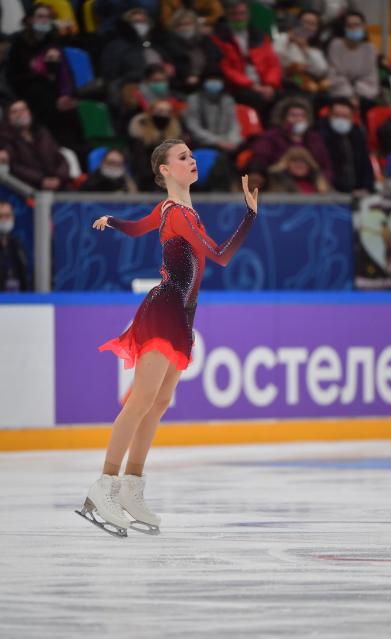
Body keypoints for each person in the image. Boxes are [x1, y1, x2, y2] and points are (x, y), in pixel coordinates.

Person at [75, 139, 258, 537]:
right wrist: (249, 217)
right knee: (142, 399)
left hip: (182, 315)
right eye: (183, 158)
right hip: (165, 309)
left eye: (192, 156)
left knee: (158, 403)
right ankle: (103, 486)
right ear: (163, 170)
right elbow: (222, 256)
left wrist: (113, 221)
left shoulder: (173, 210)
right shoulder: (178, 214)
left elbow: (138, 227)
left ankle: (132, 489)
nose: (192, 161)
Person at [210, 0, 282, 120]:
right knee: (256, 100)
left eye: (242, 13)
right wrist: (252, 85)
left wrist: (270, 85)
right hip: (238, 87)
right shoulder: (218, 38)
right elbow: (226, 68)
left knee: (287, 97)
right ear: (227, 16)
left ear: (248, 15)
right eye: (235, 14)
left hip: (264, 83)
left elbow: (273, 63)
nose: (239, 18)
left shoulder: (259, 36)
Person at [246, 97, 332, 189]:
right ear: (283, 118)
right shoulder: (270, 138)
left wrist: (322, 182)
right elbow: (259, 163)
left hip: (313, 186)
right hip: (278, 185)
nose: (298, 119)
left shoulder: (315, 139)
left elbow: (326, 167)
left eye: (302, 116)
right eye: (293, 115)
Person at [0, 99, 70, 190]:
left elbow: (60, 158)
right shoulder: (5, 138)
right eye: (15, 112)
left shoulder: (42, 133)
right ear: (8, 118)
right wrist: (41, 180)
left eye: (24, 109)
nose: (21, 114)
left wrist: (59, 177)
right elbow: (14, 167)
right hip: (27, 190)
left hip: (58, 185)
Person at [327, 10, 379, 115]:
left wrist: (358, 94)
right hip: (340, 93)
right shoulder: (335, 45)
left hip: (364, 95)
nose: (353, 28)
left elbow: (371, 77)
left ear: (364, 27)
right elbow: (334, 74)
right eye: (349, 25)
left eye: (357, 25)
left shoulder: (370, 48)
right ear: (345, 28)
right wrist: (349, 95)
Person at [318, 97, 374, 193]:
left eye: (345, 116)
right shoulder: (319, 134)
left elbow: (366, 164)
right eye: (337, 116)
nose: (341, 120)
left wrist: (366, 187)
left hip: (356, 191)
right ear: (330, 115)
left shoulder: (357, 134)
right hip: (330, 191)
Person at [272, 9, 329, 95]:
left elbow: (321, 70)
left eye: (312, 24)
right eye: (304, 22)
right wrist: (288, 39)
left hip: (306, 82)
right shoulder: (283, 38)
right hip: (284, 80)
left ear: (317, 28)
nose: (306, 27)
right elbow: (274, 57)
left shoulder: (315, 49)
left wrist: (305, 49)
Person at [0, 200, 29, 292]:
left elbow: (24, 274)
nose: (4, 220)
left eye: (7, 215)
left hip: (15, 299)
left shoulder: (16, 244)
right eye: (0, 216)